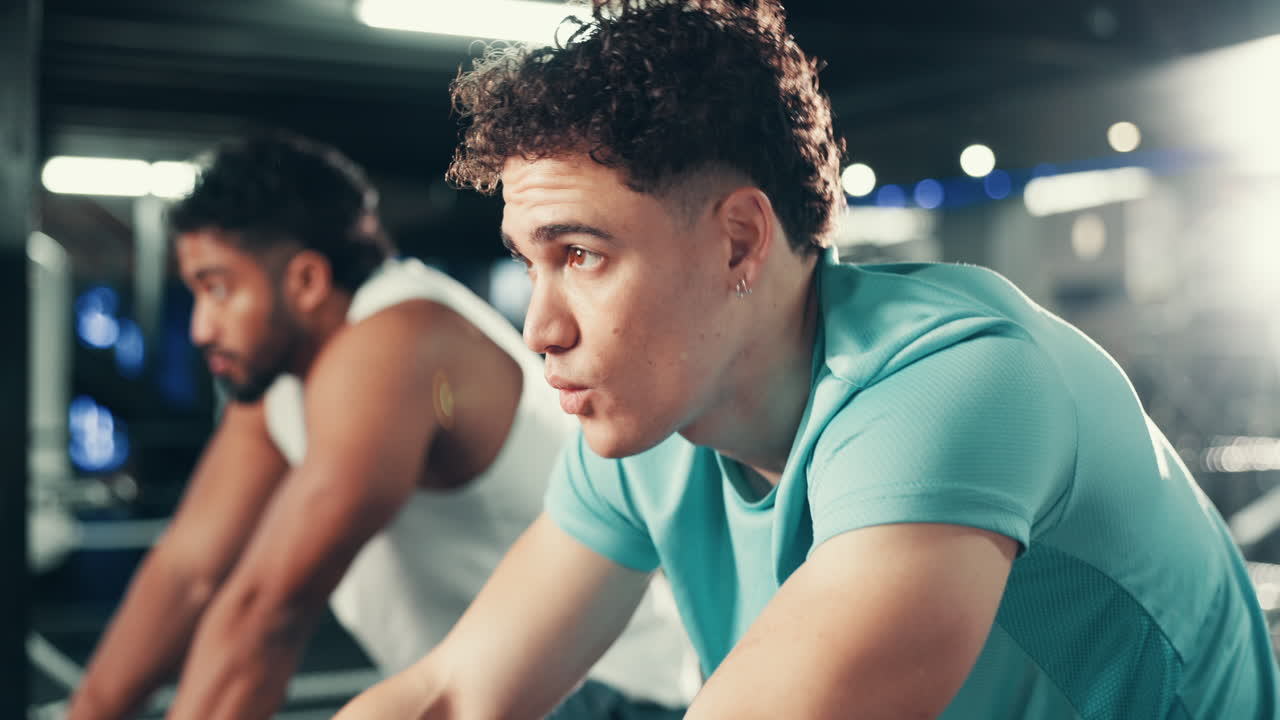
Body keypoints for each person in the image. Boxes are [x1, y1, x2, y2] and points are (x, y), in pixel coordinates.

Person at [337, 1, 1280, 718]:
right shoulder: (656, 421)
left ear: (740, 242)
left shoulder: (953, 386)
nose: (540, 328)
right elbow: (456, 692)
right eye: (530, 263)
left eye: (581, 254)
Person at [65, 134, 697, 720]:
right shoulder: (279, 380)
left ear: (307, 281)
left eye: (219, 288)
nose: (201, 327)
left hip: (602, 691)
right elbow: (187, 572)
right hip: (483, 688)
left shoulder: (398, 340)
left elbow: (269, 610)